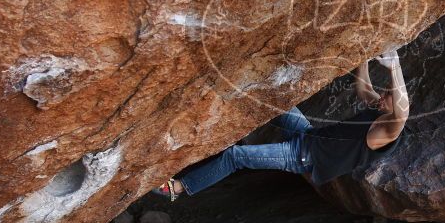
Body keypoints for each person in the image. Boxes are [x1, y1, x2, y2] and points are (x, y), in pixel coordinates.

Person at [154, 49, 409, 200]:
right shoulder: (379, 112)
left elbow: (402, 113)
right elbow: (364, 88)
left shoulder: (387, 131)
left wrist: (394, 66)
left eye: (388, 95)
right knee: (275, 101)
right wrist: (365, 54)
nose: (383, 96)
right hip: (308, 136)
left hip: (302, 156)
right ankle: (224, 93)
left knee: (235, 156)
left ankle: (178, 188)